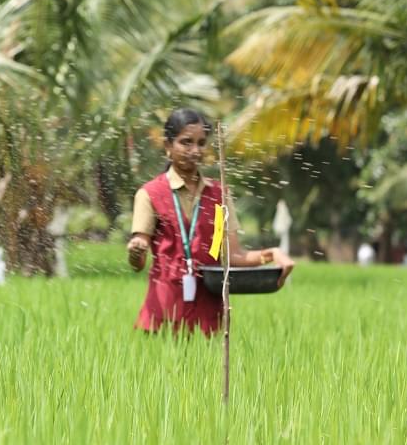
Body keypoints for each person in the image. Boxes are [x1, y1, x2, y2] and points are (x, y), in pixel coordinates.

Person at [125, 108, 294, 335]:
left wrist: (271, 255)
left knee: (206, 368)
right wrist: (136, 251)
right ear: (168, 146)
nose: (195, 150)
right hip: (163, 315)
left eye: (201, 143)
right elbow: (138, 261)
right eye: (186, 142)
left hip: (208, 316)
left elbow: (230, 256)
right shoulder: (150, 194)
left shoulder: (218, 195)